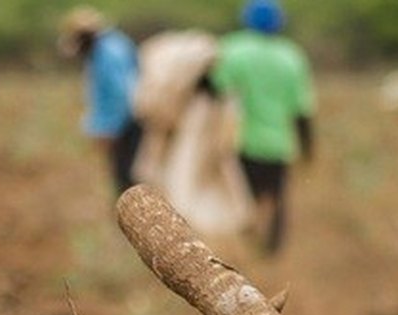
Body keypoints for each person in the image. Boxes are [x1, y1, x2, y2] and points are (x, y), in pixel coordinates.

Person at [212, 0, 316, 253]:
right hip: (278, 144)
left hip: (241, 140)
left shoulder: (232, 49)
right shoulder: (292, 57)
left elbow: (217, 90)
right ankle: (272, 250)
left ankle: (244, 249)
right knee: (275, 198)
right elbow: (302, 110)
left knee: (243, 198)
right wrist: (308, 148)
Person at [131, 29, 251, 237]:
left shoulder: (200, 101)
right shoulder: (209, 96)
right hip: (194, 130)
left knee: (183, 178)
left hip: (194, 131)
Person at [58, 6, 142, 194]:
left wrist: (110, 130)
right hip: (126, 123)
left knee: (127, 180)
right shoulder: (109, 46)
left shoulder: (108, 54)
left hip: (126, 125)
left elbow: (121, 95)